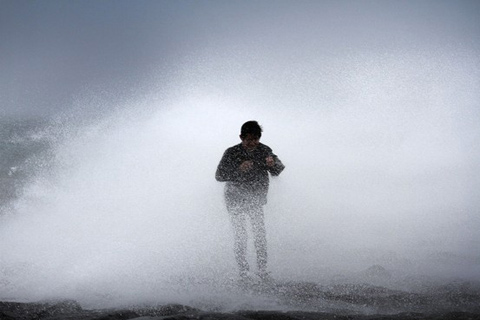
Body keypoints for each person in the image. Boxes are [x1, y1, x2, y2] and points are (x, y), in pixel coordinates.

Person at [215, 120, 285, 283]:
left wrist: (273, 164)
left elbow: (277, 170)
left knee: (259, 235)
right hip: (235, 198)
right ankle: (243, 272)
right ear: (241, 137)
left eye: (255, 139)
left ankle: (262, 270)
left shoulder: (264, 150)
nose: (252, 143)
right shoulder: (231, 152)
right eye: (248, 139)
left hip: (255, 198)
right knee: (241, 236)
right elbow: (219, 176)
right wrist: (238, 169)